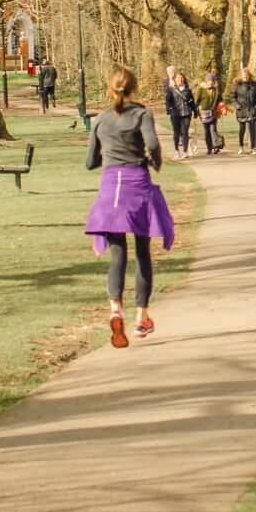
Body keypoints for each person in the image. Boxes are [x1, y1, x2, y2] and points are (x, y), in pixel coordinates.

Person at [83, 66, 175, 347]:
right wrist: (154, 161)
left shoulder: (100, 120)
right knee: (143, 252)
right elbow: (151, 144)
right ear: (134, 88)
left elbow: (90, 161)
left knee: (117, 253)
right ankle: (141, 317)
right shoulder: (142, 114)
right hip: (137, 184)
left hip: (111, 187)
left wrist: (108, 157)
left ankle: (115, 308)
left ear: (110, 89)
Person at [161, 66, 197, 159]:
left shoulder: (188, 90)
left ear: (184, 80)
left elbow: (192, 101)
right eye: (178, 78)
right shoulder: (171, 89)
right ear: (175, 80)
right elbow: (168, 101)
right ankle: (176, 151)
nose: (180, 80)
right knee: (176, 132)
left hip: (186, 113)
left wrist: (195, 112)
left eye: (181, 78)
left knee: (185, 132)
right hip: (175, 114)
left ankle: (185, 151)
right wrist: (170, 109)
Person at [230, 67, 256, 156]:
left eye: (246, 75)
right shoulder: (237, 84)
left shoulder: (254, 84)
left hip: (252, 110)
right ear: (241, 76)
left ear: (249, 75)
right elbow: (233, 97)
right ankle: (241, 147)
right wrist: (237, 106)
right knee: (242, 129)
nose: (245, 76)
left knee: (252, 129)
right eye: (243, 75)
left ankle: (253, 147)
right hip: (241, 110)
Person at [196, 69, 224, 156]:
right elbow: (197, 101)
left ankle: (215, 146)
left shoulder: (216, 90)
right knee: (206, 131)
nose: (210, 83)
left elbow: (220, 100)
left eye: (212, 81)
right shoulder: (200, 90)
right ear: (206, 81)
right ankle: (209, 148)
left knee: (213, 130)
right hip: (203, 114)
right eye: (209, 81)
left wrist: (221, 108)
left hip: (213, 113)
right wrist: (195, 111)